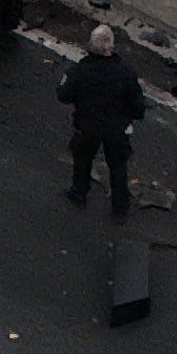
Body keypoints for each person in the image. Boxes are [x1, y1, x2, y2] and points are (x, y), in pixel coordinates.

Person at [58, 24, 141, 217]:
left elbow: (64, 94)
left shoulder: (79, 71)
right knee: (118, 167)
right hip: (116, 129)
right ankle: (120, 207)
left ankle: (79, 193)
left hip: (88, 125)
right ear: (111, 47)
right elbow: (138, 106)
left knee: (83, 159)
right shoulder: (126, 74)